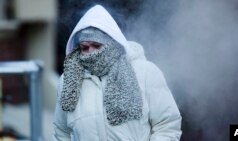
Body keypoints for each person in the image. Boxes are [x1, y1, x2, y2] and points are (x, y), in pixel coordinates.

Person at [53, 4, 182, 141]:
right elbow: (61, 132)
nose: (90, 52)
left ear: (112, 42)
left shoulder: (145, 73)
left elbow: (166, 125)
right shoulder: (69, 81)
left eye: (97, 45)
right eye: (85, 47)